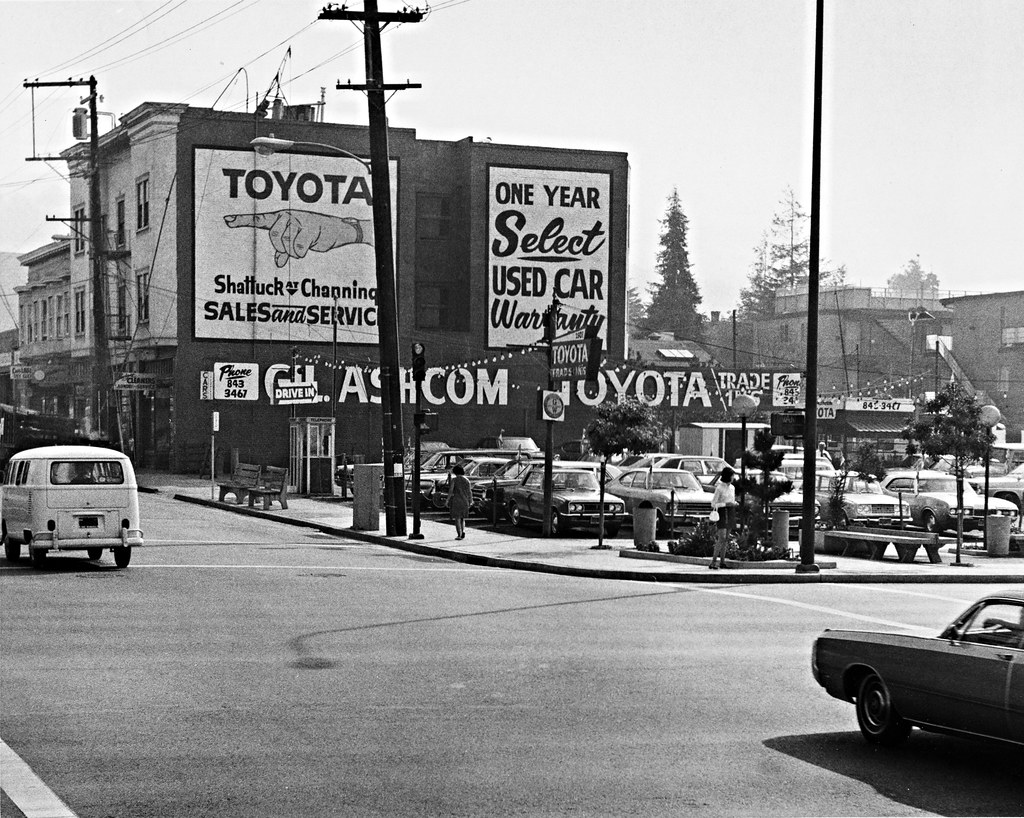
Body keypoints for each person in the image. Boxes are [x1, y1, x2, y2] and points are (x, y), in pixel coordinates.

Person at [709, 466, 738, 569]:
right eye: (732, 475)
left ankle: (722, 561)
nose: (733, 477)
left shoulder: (732, 488)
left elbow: (732, 500)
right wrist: (726, 504)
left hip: (730, 512)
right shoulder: (720, 488)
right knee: (721, 537)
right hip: (722, 512)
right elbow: (713, 504)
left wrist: (734, 504)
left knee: (726, 538)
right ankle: (713, 561)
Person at [446, 464, 473, 540]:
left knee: (457, 518)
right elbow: (469, 492)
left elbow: (451, 491)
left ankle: (459, 534)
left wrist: (447, 500)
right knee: (462, 518)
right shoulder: (467, 480)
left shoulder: (454, 480)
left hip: (456, 500)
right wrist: (471, 500)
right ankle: (462, 532)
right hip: (465, 501)